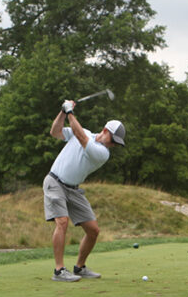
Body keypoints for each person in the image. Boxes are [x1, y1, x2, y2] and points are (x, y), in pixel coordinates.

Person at [43, 101, 126, 281]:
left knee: (93, 230)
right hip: (55, 182)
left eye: (117, 144)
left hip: (73, 190)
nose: (113, 145)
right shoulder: (84, 132)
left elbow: (81, 137)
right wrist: (62, 112)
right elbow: (55, 132)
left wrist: (70, 111)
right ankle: (59, 271)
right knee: (62, 222)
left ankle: (79, 267)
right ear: (105, 131)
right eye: (114, 140)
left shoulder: (102, 153)